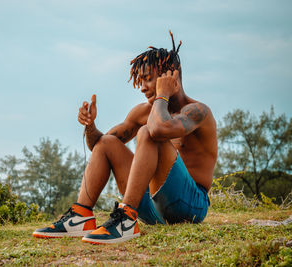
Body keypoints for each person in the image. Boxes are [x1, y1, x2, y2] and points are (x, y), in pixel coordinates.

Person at [32, 31, 217, 244]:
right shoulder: (143, 112)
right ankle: (81, 216)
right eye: (141, 80)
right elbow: (99, 146)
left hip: (190, 205)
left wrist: (162, 95)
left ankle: (126, 219)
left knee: (147, 132)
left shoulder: (198, 112)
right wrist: (90, 127)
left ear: (170, 75)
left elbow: (158, 130)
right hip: (152, 207)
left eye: (148, 79)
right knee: (108, 142)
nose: (142, 87)